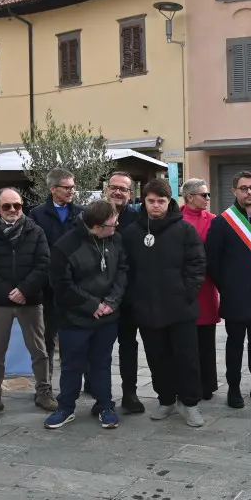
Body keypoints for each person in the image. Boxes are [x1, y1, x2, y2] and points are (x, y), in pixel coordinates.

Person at [122, 179, 207, 427]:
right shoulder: (131, 233)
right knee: (157, 358)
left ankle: (190, 403)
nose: (156, 206)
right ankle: (166, 399)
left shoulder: (184, 230)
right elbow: (125, 269)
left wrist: (186, 293)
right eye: (151, 201)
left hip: (180, 309)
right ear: (144, 201)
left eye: (161, 201)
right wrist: (134, 298)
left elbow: (197, 264)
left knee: (187, 358)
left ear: (169, 202)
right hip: (147, 310)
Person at [43, 200, 128, 430]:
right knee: (72, 365)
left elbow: (122, 271)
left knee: (102, 363)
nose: (117, 226)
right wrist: (92, 305)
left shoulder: (115, 240)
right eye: (112, 224)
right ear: (97, 226)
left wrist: (111, 302)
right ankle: (65, 408)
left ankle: (105, 406)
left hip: (107, 317)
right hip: (74, 319)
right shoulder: (64, 246)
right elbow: (61, 284)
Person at [0, 187, 55, 417]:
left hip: (30, 301)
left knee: (39, 350)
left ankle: (43, 391)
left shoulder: (35, 231)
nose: (12, 210)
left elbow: (43, 264)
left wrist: (24, 290)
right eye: (7, 206)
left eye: (17, 205)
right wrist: (8, 291)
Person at [206, 171, 251, 407]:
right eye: (244, 188)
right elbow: (212, 261)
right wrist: (228, 285)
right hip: (234, 295)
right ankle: (234, 389)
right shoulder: (222, 222)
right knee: (235, 343)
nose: (249, 192)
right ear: (234, 191)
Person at [28, 168, 82, 380]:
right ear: (53, 189)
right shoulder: (36, 214)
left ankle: (77, 381)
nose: (71, 191)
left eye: (73, 187)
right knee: (47, 337)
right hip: (48, 287)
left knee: (76, 337)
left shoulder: (80, 213)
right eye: (67, 187)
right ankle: (45, 383)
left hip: (75, 285)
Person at [104, 171, 145, 413]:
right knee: (100, 348)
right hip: (101, 295)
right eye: (114, 187)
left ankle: (130, 393)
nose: (118, 192)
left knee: (128, 345)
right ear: (107, 189)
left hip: (130, 295)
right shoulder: (95, 214)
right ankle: (101, 394)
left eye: (123, 189)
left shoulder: (139, 217)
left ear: (131, 194)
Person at [180, 178, 221, 400]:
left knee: (206, 339)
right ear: (189, 197)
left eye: (208, 195)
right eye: (203, 195)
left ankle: (207, 385)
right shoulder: (175, 218)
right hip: (182, 288)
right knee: (185, 341)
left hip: (206, 287)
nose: (207, 199)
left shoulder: (213, 220)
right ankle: (187, 385)